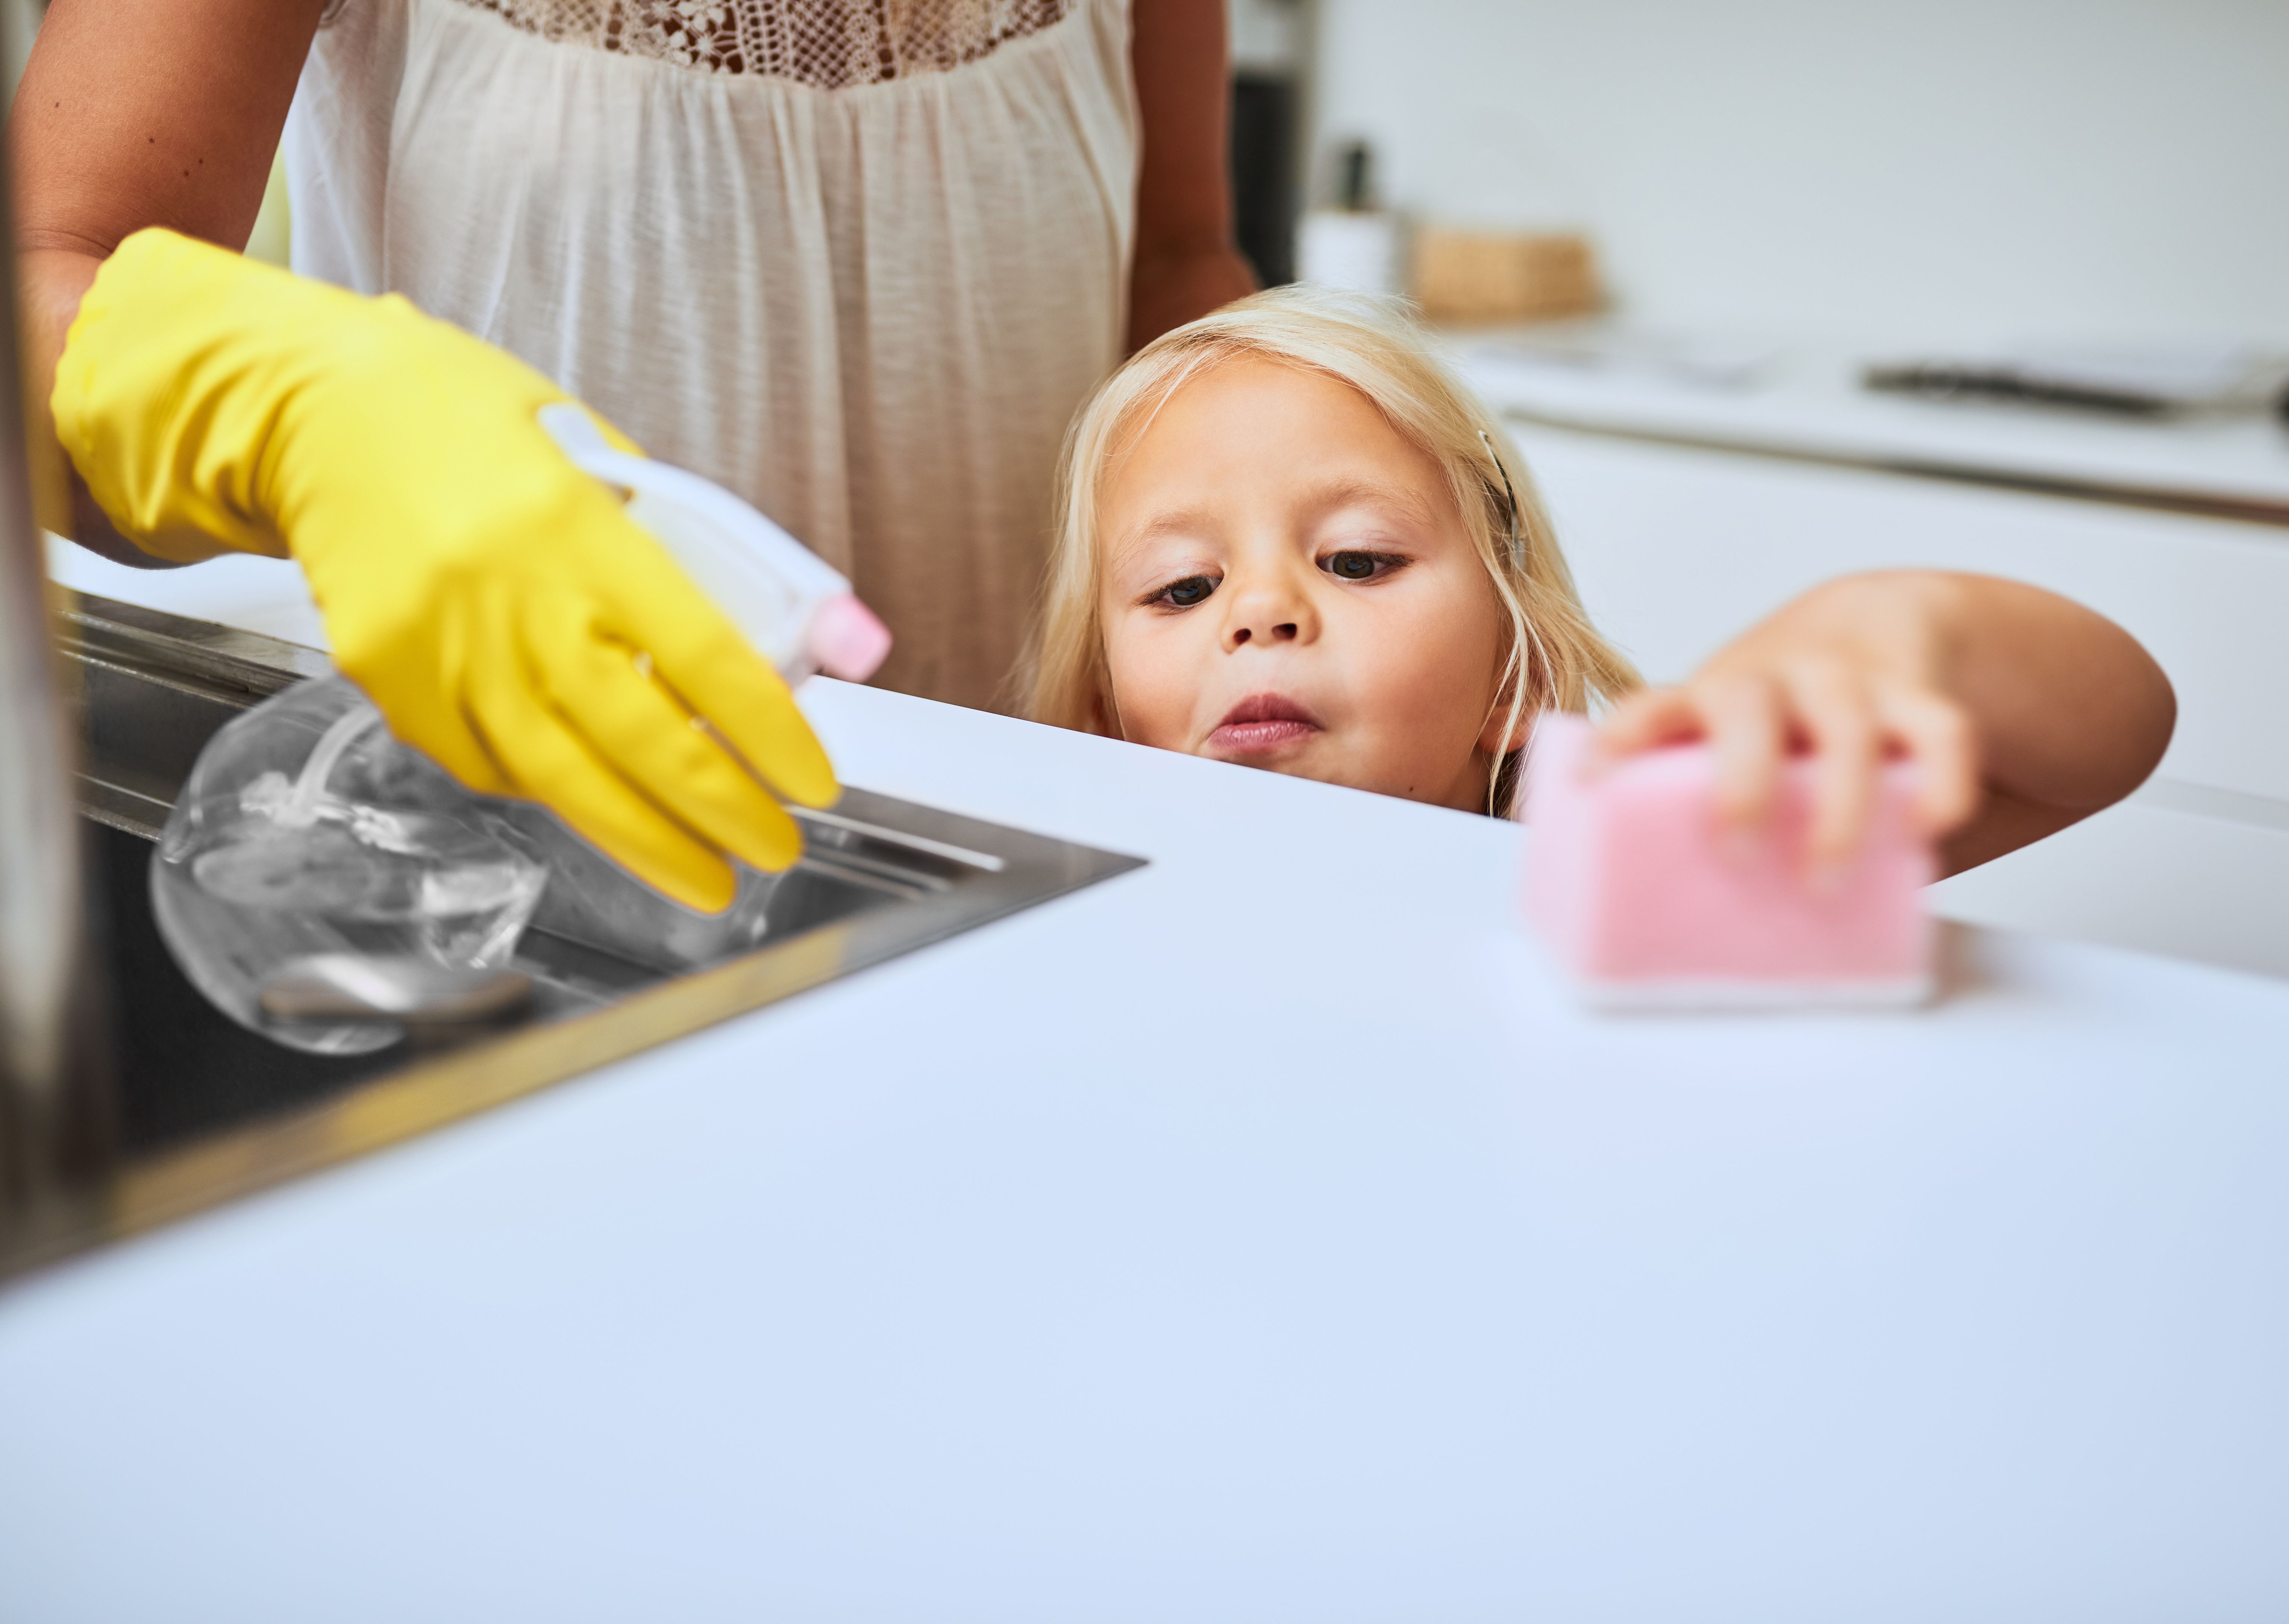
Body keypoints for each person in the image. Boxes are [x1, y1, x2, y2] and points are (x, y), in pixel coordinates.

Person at [14, 0, 1255, 911]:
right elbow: (43, 277)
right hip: (509, 894)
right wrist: (280, 404)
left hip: (1051, 883)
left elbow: (1178, 259)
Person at [1022, 288, 2178, 875]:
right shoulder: (1071, 880)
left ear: (1510, 679)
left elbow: (2114, 735)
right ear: (1101, 715)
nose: (1260, 611)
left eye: (1359, 560)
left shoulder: (1610, 841)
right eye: (1182, 588)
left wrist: (1893, 627)